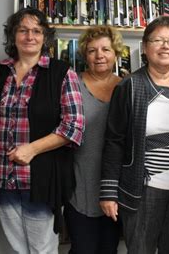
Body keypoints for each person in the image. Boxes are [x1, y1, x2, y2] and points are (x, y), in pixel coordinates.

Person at [99, 16, 169, 254]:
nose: (166, 46)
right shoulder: (129, 87)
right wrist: (108, 192)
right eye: (158, 40)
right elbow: (114, 142)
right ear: (145, 47)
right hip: (143, 190)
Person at [0, 6, 84, 254]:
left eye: (36, 31)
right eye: (22, 30)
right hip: (3, 178)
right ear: (13, 36)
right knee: (18, 249)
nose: (29, 36)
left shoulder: (62, 73)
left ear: (45, 37)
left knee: (42, 249)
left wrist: (31, 149)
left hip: (41, 180)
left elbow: (74, 127)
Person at [63, 26, 124, 254]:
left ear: (116, 52)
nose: (99, 55)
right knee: (82, 248)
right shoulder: (72, 84)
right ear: (84, 54)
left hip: (116, 187)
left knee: (109, 248)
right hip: (80, 183)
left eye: (106, 49)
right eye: (92, 50)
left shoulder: (127, 87)